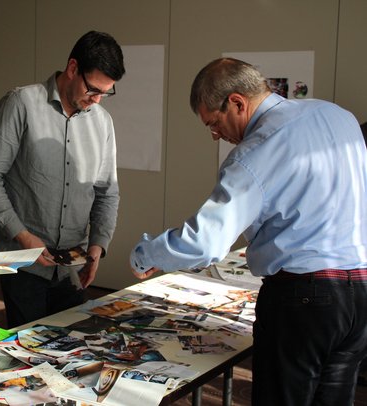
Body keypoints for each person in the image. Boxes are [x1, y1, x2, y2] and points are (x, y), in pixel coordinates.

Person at [130, 58, 367, 405]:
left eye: (213, 122)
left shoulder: (255, 152)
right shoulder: (337, 116)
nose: (215, 134)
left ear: (237, 102)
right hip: (359, 295)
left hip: (303, 299)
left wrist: (145, 254)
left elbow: (206, 242)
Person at [0, 30, 125, 328]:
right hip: (24, 263)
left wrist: (98, 244)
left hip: (73, 265)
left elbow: (107, 192)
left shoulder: (102, 122)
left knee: (69, 349)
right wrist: (24, 236)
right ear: (72, 68)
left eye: (105, 94)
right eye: (93, 90)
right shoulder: (21, 104)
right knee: (27, 353)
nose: (97, 100)